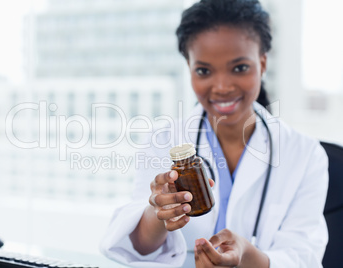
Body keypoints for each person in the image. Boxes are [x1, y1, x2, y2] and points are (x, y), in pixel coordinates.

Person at [100, 0, 329, 267]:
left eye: (239, 68)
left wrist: (247, 256)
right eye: (204, 71)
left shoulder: (305, 153)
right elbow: (138, 247)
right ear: (189, 69)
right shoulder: (164, 140)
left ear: (263, 64)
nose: (221, 87)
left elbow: (305, 256)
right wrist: (158, 213)